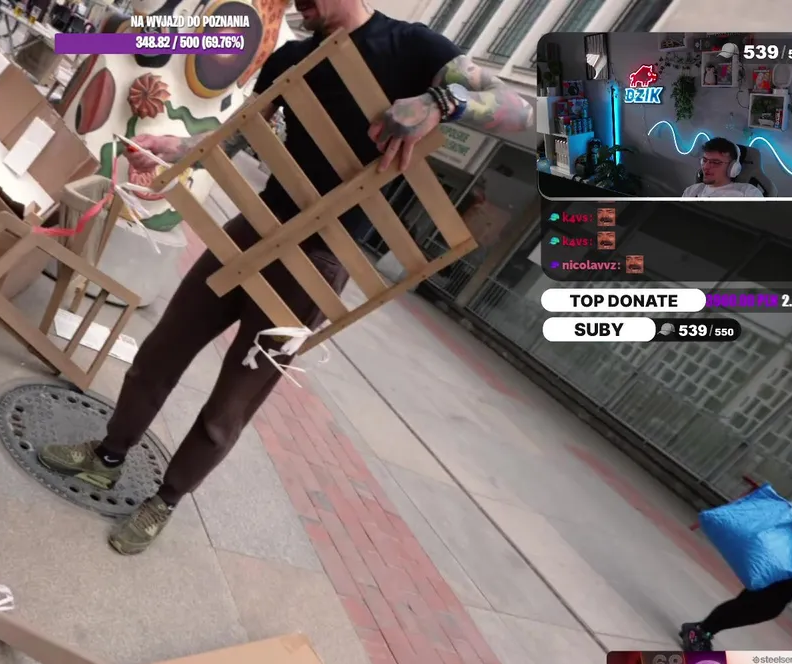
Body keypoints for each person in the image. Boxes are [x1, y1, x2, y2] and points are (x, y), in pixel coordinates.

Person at [37, 0, 534, 555]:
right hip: (253, 227)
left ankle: (165, 501)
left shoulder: (416, 50)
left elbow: (520, 111)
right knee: (161, 351)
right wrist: (180, 149)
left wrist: (441, 101)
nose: (295, 3)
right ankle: (107, 458)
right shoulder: (291, 57)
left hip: (319, 260)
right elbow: (241, 132)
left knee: (233, 401)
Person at [681, 484, 792, 651]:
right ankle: (701, 630)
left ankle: (702, 629)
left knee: (761, 604)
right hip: (791, 555)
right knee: (763, 604)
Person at [681, 137, 764, 198]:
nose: (706, 167)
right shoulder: (691, 191)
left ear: (732, 168)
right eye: (705, 160)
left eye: (715, 162)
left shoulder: (749, 193)